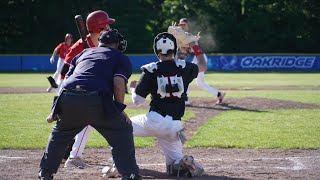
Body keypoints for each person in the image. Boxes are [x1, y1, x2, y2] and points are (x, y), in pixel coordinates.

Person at [38, 30, 141, 180]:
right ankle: (130, 174)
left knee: (59, 134)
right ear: (117, 43)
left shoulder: (83, 53)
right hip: (96, 101)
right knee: (122, 130)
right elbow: (119, 84)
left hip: (68, 99)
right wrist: (118, 109)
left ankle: (45, 173)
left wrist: (55, 109)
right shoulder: (120, 57)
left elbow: (67, 82)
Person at [104, 32, 205, 178]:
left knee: (121, 127)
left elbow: (137, 101)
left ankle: (119, 165)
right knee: (173, 167)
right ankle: (183, 163)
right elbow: (202, 65)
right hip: (175, 126)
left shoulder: (151, 69)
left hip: (154, 120)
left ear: (156, 51)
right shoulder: (184, 67)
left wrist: (133, 88)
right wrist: (193, 44)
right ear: (175, 49)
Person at [47, 10, 121, 169]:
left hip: (91, 89)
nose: (109, 27)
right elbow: (64, 73)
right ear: (100, 28)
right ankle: (72, 156)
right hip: (71, 88)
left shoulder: (106, 43)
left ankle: (70, 154)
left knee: (87, 120)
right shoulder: (80, 46)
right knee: (86, 119)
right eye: (106, 24)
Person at [177, 18, 225, 104]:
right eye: (180, 25)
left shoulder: (189, 36)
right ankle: (219, 94)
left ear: (188, 26)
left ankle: (185, 99)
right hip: (196, 58)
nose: (182, 26)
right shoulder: (182, 37)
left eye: (184, 24)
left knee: (187, 75)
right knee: (200, 84)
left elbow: (195, 49)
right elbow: (184, 53)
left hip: (200, 58)